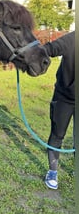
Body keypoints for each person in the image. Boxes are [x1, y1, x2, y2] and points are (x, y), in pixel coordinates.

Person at [43, 31, 75, 190]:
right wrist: (24, 55)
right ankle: (52, 171)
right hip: (64, 98)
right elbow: (49, 48)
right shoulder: (72, 39)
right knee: (57, 135)